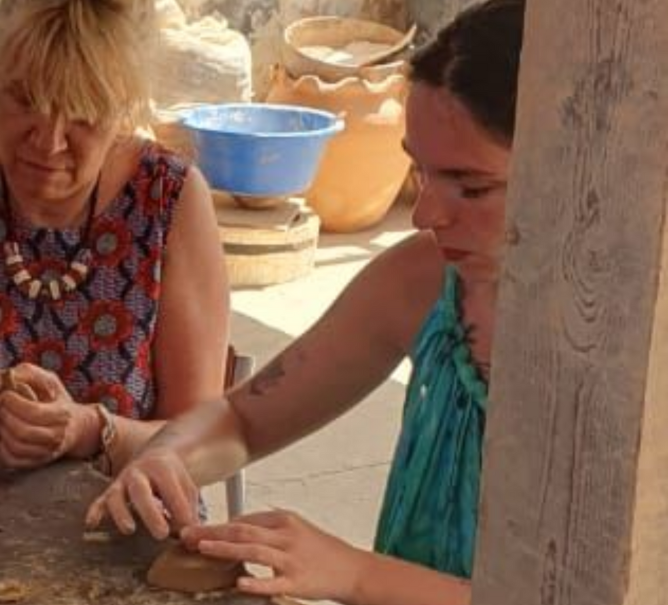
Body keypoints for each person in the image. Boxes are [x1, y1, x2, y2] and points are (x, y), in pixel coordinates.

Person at [87, 1, 525, 603]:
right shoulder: (425, 282)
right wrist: (166, 457)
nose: (425, 214)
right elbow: (244, 419)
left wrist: (358, 574)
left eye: (471, 186)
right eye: (421, 173)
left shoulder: (636, 364)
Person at [0, 0, 230, 473]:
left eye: (84, 114)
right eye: (24, 99)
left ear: (124, 108)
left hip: (116, 523)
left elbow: (204, 445)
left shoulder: (168, 200)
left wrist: (90, 431)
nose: (48, 142)